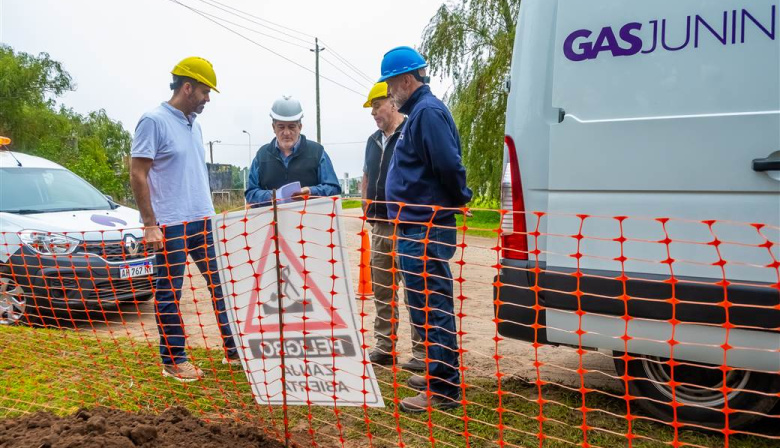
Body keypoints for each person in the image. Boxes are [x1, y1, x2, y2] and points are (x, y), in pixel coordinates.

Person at [130, 56, 239, 382]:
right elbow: (137, 173)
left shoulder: (195, 124)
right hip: (170, 224)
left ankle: (234, 350)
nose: (208, 99)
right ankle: (174, 360)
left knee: (222, 286)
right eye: (205, 92)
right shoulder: (153, 121)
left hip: (202, 220)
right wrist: (150, 224)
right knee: (169, 292)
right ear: (187, 87)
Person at [379, 46, 473, 412]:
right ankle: (438, 372)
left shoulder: (427, 113)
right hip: (413, 228)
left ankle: (445, 388)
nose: (389, 92)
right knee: (422, 305)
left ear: (406, 79)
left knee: (433, 305)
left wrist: (459, 198)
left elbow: (448, 165)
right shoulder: (417, 114)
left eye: (390, 84)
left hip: (425, 228)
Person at [361, 82, 426, 372]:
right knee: (382, 291)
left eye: (376, 106)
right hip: (378, 225)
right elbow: (366, 174)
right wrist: (365, 204)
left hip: (406, 225)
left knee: (414, 290)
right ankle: (384, 347)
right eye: (372, 108)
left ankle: (423, 353)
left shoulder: (410, 133)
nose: (373, 113)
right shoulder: (372, 140)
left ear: (391, 102)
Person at [244, 96, 341, 205]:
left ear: (300, 127)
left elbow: (333, 188)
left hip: (310, 219)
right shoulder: (261, 156)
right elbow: (250, 193)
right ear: (273, 127)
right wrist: (273, 196)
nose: (286, 132)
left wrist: (311, 192)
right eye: (281, 127)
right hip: (272, 220)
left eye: (291, 127)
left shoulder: (317, 152)